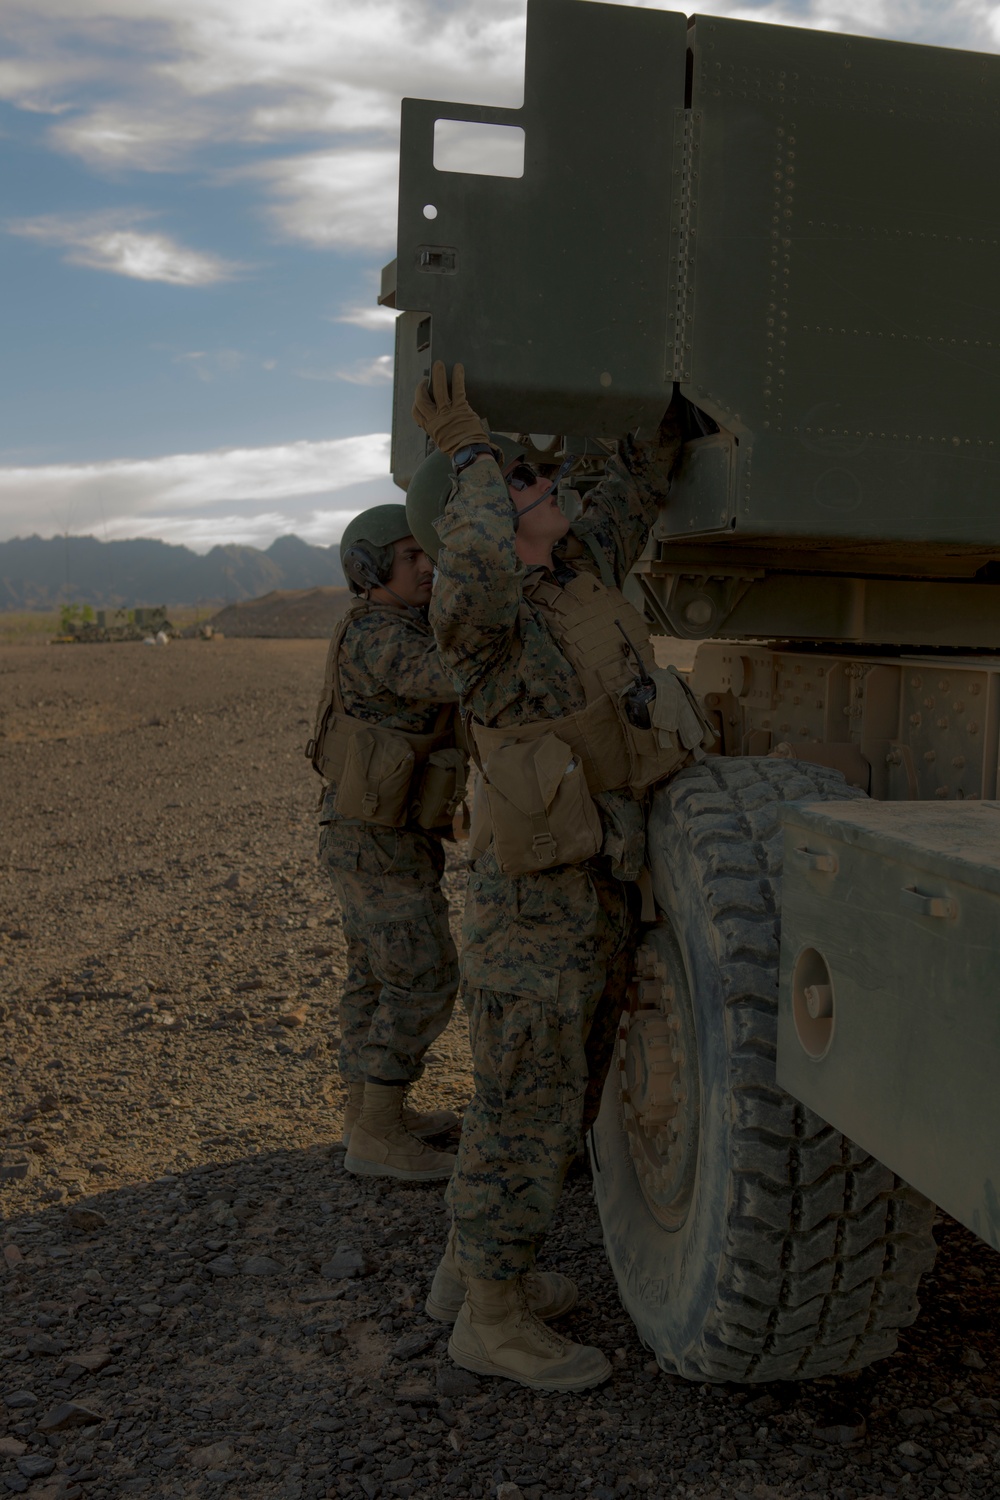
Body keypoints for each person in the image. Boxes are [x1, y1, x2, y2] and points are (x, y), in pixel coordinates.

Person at [406, 363, 713, 1389]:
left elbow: (629, 482)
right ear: (471, 514)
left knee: (559, 1097)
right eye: (519, 480)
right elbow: (484, 557)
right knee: (521, 1108)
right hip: (533, 906)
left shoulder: (579, 574)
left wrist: (662, 412)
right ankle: (488, 1321)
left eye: (535, 475)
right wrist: (468, 447)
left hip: (596, 888)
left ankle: (472, 1271)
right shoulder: (479, 614)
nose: (539, 486)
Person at [308, 503, 467, 1182]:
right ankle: (376, 1133)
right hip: (375, 844)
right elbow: (449, 678)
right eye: (410, 557)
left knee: (374, 979)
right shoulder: (380, 635)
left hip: (376, 836)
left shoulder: (391, 624)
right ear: (372, 569)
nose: (426, 565)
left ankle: (366, 1116)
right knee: (425, 979)